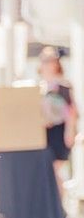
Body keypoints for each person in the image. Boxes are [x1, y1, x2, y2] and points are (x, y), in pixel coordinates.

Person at [40, 46, 77, 200]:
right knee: (49, 171)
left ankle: (59, 204)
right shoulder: (40, 87)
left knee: (55, 169)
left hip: (59, 132)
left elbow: (71, 112)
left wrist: (70, 132)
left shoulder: (64, 87)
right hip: (45, 132)